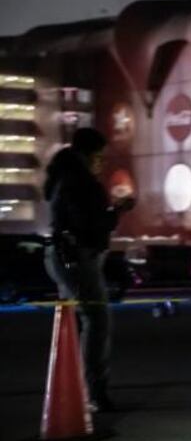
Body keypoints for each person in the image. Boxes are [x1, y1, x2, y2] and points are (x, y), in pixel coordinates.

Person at [43, 128, 135, 412]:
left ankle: (75, 390)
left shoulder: (63, 175)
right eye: (100, 157)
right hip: (77, 256)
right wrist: (117, 210)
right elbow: (91, 223)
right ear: (88, 154)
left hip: (65, 255)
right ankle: (93, 392)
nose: (102, 163)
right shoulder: (79, 180)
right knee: (97, 320)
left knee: (77, 322)